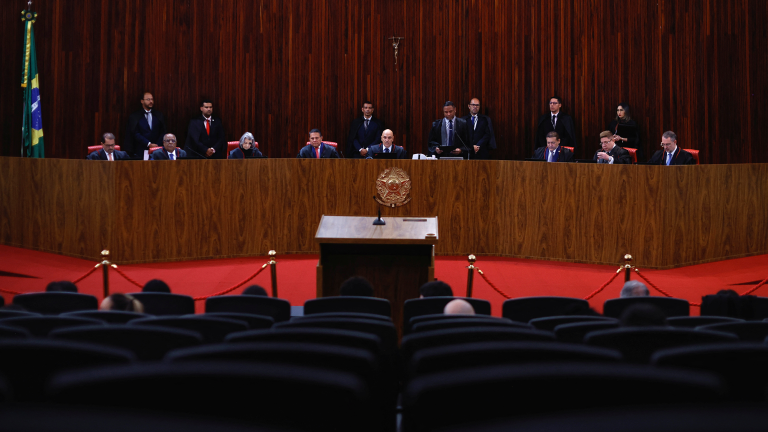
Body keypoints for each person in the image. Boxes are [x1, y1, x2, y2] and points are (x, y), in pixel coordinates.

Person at [124, 92, 167, 160]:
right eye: (148, 99)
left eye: (152, 99)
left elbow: (163, 131)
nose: (151, 101)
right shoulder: (135, 116)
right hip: (140, 150)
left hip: (157, 150)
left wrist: (157, 145)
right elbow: (135, 133)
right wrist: (148, 144)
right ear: (142, 101)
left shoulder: (159, 115)